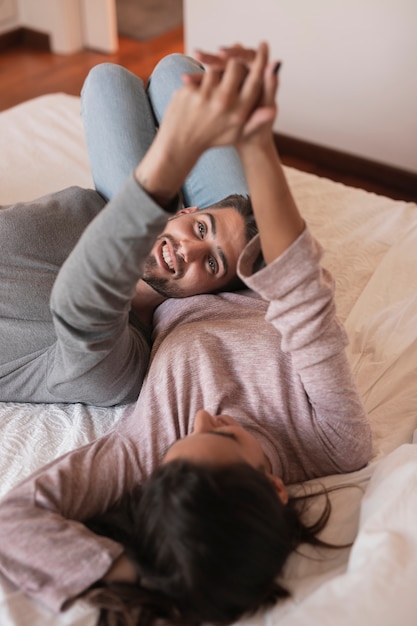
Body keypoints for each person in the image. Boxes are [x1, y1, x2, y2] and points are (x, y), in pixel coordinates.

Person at [0, 43, 372, 626]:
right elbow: (302, 293)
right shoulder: (332, 440)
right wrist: (255, 138)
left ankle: (167, 187)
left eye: (184, 443)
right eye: (225, 437)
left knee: (108, 80)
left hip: (180, 278)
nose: (204, 416)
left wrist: (152, 575)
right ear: (275, 489)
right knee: (181, 74)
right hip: (250, 268)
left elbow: (13, 523)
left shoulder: (147, 451)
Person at [0, 51, 256, 406]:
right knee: (174, 72)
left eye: (211, 262)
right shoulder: (123, 367)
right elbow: (82, 309)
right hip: (134, 215)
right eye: (207, 254)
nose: (190, 250)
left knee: (108, 79)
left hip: (124, 211)